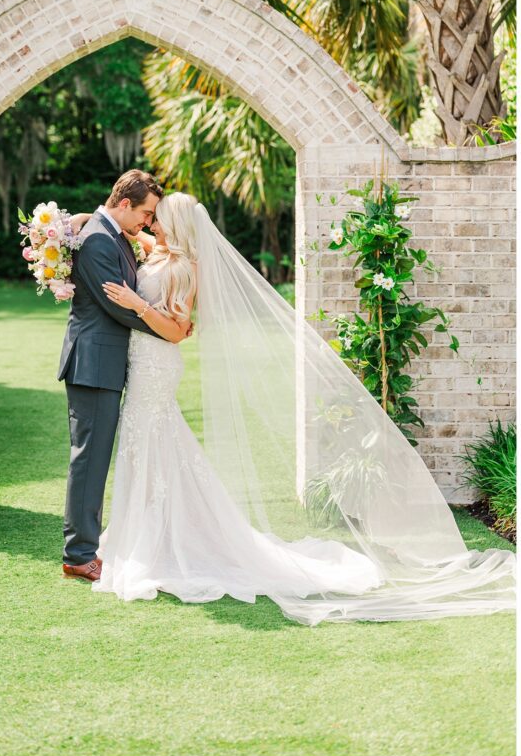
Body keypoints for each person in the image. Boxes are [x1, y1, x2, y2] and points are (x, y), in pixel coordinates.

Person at [77, 192, 515, 625]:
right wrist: (83, 220)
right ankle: (145, 535)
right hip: (139, 366)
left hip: (156, 365)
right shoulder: (159, 252)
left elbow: (176, 330)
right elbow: (124, 235)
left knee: (156, 445)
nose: (151, 224)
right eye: (149, 218)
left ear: (176, 224)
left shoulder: (184, 268)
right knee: (145, 448)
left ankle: (164, 541)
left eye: (158, 218)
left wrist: (137, 305)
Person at [57, 169, 164, 581]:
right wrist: (165, 327)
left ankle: (84, 547)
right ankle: (79, 554)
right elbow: (118, 307)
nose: (148, 223)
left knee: (94, 457)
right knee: (89, 459)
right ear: (124, 205)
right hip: (93, 364)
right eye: (145, 213)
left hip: (104, 362)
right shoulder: (100, 239)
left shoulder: (110, 231)